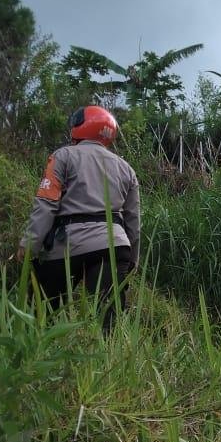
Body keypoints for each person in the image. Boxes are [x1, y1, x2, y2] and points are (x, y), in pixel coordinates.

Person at [17, 105, 140, 331]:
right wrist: (132, 259)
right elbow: (133, 221)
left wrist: (29, 244)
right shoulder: (126, 168)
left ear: (80, 126)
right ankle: (109, 360)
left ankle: (42, 350)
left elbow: (46, 204)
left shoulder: (63, 156)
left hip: (69, 245)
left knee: (43, 310)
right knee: (108, 320)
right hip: (115, 245)